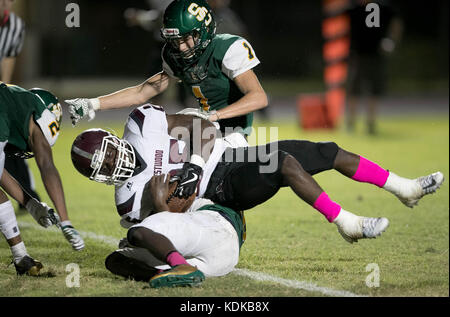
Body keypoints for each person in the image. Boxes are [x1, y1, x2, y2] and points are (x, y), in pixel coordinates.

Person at [71, 104, 444, 251]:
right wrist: (158, 203)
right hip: (218, 189)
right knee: (283, 163)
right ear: (99, 179)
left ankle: (404, 188)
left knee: (326, 151)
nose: (112, 164)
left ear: (114, 138)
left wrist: (194, 166)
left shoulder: (142, 123)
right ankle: (346, 222)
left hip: (227, 155)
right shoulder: (128, 200)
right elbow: (164, 230)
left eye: (109, 152)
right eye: (102, 167)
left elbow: (200, 126)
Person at [66, 0, 268, 137]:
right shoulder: (175, 55)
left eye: (186, 38)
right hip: (204, 129)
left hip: (232, 134)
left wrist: (213, 115)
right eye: (175, 40)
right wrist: (92, 103)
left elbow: (259, 97)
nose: (180, 47)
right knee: (144, 124)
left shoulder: (228, 48)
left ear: (204, 30)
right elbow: (141, 92)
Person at [0, 83, 85, 270]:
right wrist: (66, 221)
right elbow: (47, 166)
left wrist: (31, 205)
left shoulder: (16, 106)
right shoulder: (36, 116)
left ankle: (21, 256)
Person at [0, 0, 41, 208]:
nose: (7, 3)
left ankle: (28, 195)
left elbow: (6, 66)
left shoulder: (15, 25)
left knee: (11, 138)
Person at [346, 0, 403, 134]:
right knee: (354, 90)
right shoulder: (353, 8)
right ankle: (351, 122)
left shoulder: (383, 7)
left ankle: (370, 123)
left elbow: (396, 24)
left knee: (373, 90)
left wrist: (392, 41)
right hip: (358, 56)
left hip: (375, 55)